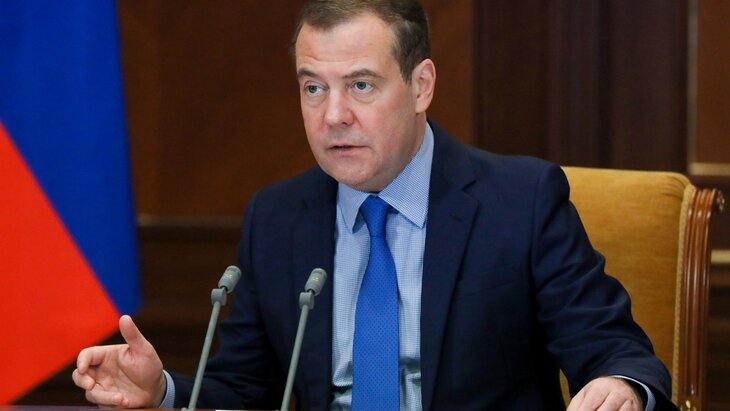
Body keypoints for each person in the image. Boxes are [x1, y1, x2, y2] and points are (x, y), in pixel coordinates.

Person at [72, 1, 679, 410]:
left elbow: (614, 350)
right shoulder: (277, 218)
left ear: (421, 86)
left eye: (360, 85)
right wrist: (164, 392)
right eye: (314, 88)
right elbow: (246, 390)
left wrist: (620, 386)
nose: (334, 115)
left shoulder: (520, 202)